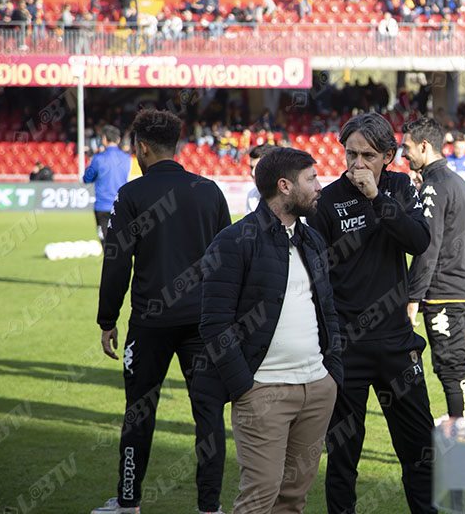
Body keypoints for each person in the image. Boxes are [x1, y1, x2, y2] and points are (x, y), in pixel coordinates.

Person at [92, 109, 230, 514]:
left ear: (142, 148)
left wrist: (107, 319)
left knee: (139, 413)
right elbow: (227, 260)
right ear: (178, 146)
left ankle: (129, 502)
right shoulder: (209, 191)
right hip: (203, 322)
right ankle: (210, 507)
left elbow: (116, 262)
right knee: (208, 415)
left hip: (150, 323)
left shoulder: (132, 195)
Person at [198, 147, 342, 514]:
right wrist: (244, 386)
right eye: (311, 179)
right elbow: (214, 322)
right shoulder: (233, 241)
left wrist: (331, 374)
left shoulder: (312, 240)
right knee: (259, 497)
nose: (319, 186)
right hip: (263, 392)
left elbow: (327, 310)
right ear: (285, 186)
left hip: (316, 388)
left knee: (293, 500)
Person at [305, 113, 436, 514]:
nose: (357, 163)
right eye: (350, 154)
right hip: (347, 348)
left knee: (421, 448)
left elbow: (419, 240)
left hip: (396, 343)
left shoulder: (399, 187)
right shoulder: (327, 202)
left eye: (367, 155)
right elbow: (315, 278)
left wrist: (377, 198)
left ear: (388, 156)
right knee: (343, 454)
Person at [402, 117, 465, 421]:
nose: (403, 154)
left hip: (445, 293)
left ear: (424, 146)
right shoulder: (454, 181)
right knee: (453, 366)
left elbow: (427, 247)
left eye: (406, 147)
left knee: (451, 368)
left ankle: (464, 435)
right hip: (461, 287)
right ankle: (463, 430)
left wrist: (412, 298)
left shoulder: (436, 185)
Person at [83, 125, 131, 246]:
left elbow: (87, 178)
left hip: (103, 206)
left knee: (106, 244)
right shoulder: (127, 158)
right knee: (122, 244)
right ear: (118, 139)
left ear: (104, 139)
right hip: (122, 206)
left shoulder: (98, 158)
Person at [245, 144, 273, 213]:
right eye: (251, 167)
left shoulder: (293, 196)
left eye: (258, 168)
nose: (252, 173)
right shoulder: (252, 195)